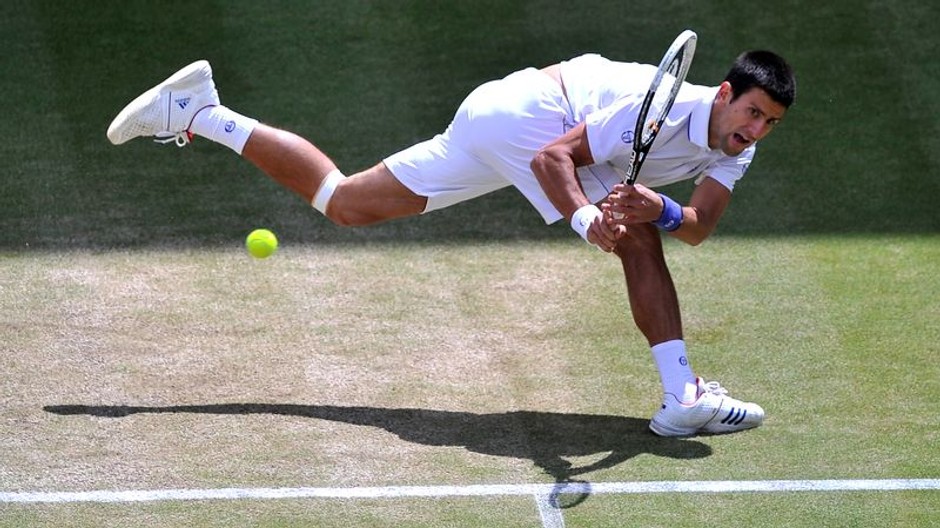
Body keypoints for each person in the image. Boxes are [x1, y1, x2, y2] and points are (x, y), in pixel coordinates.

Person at [107, 47, 796, 437]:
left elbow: (699, 226)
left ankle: (203, 111)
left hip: (495, 114)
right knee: (634, 240)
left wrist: (662, 208)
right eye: (753, 113)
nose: (757, 130)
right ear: (726, 92)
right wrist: (592, 220)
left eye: (770, 123)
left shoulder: (738, 147)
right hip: (532, 119)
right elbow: (554, 158)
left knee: (346, 204)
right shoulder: (661, 105)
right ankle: (683, 397)